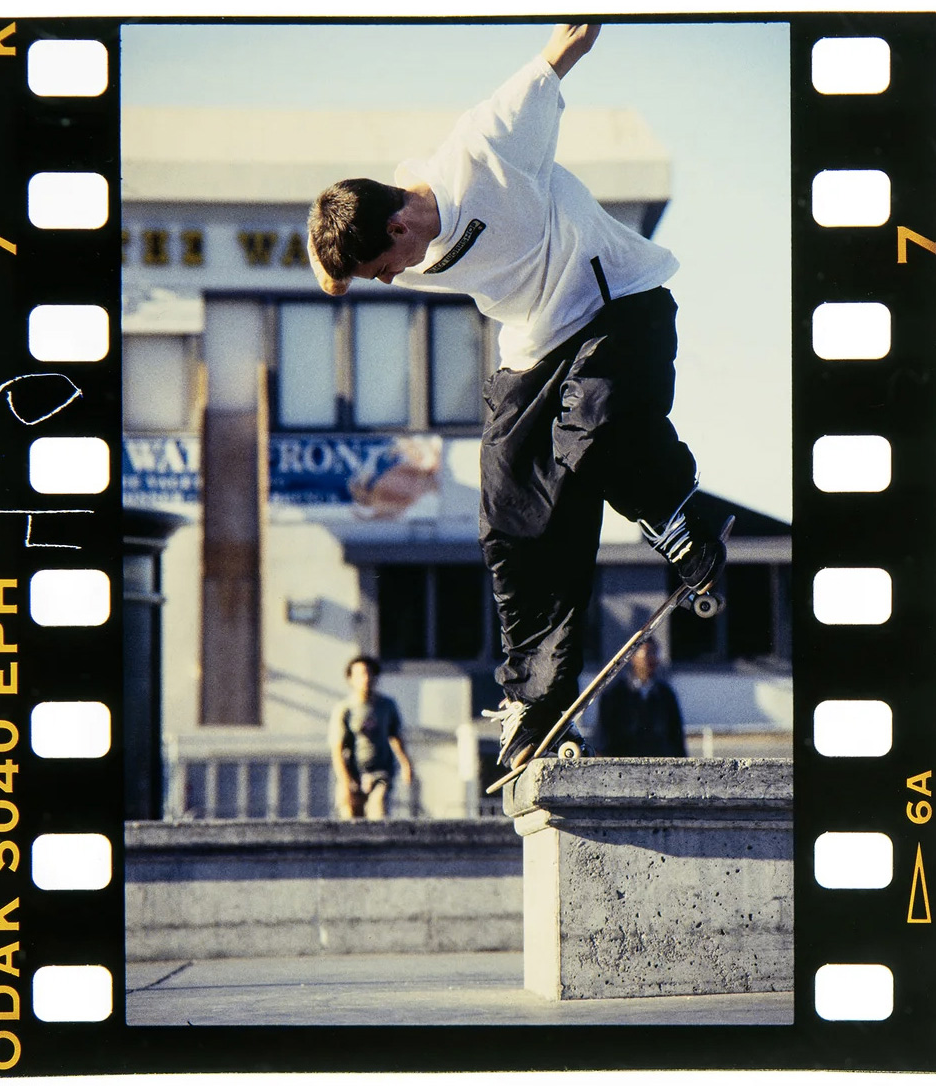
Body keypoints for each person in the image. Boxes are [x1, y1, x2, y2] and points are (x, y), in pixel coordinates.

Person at [307, 24, 726, 773]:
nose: (391, 280)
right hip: (532, 346)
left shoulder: (488, 144)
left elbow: (568, 45)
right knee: (508, 511)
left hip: (617, 306)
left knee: (587, 439)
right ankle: (536, 694)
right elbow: (335, 269)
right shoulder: (388, 223)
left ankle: (676, 513)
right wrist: (335, 255)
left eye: (385, 267)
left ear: (399, 225)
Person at [329, 655, 413, 819]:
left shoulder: (387, 705)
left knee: (378, 813)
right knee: (351, 821)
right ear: (351, 679)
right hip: (353, 773)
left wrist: (406, 764)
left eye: (369, 673)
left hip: (380, 773)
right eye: (360, 674)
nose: (366, 678)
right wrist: (346, 781)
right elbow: (337, 750)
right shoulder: (344, 709)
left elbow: (395, 736)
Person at [595, 639, 687, 757]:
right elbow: (603, 736)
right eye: (647, 653)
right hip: (624, 767)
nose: (652, 658)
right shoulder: (615, 693)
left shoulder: (665, 694)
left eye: (655, 653)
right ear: (633, 657)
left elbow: (676, 737)